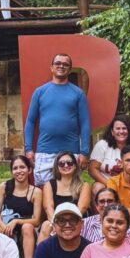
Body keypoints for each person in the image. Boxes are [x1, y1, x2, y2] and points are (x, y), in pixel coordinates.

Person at [24, 53, 91, 185]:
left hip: (71, 152)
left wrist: (85, 152)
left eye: (65, 64)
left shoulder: (78, 94)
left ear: (70, 70)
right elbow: (31, 122)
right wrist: (28, 149)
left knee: (71, 191)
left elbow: (85, 124)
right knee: (44, 191)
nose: (61, 66)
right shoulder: (40, 92)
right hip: (45, 151)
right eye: (58, 63)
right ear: (51, 67)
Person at [0, 154, 42, 258]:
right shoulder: (4, 187)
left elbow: (36, 220)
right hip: (6, 226)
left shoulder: (36, 192)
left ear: (29, 170)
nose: (19, 171)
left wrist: (16, 221)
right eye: (15, 168)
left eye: (22, 167)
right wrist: (4, 227)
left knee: (27, 227)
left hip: (26, 230)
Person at [88, 116, 130, 190]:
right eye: (118, 128)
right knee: (98, 187)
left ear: (129, 131)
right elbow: (92, 169)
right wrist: (110, 185)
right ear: (112, 132)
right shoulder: (102, 145)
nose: (121, 131)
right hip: (107, 185)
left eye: (124, 128)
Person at [40, 150, 91, 239]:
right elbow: (48, 208)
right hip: (56, 221)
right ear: (57, 167)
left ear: (75, 166)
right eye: (61, 163)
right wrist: (57, 224)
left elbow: (82, 208)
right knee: (46, 225)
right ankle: (41, 249)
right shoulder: (50, 185)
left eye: (69, 162)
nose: (66, 165)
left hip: (77, 221)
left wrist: (69, 224)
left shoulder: (84, 185)